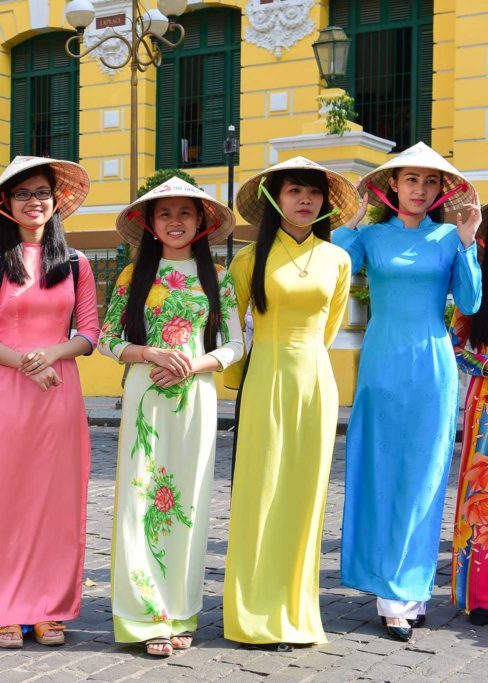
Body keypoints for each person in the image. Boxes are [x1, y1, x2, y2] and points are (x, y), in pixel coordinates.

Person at [336, 142, 483, 641]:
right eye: (411, 180)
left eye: (430, 182)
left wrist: (466, 245)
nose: (420, 190)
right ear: (392, 186)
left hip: (433, 365)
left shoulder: (448, 237)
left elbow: (469, 299)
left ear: (441, 190)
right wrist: (352, 220)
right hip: (381, 364)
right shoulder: (371, 237)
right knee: (380, 469)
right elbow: (332, 268)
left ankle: (409, 587)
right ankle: (386, 586)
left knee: (424, 476)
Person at [0, 156, 100, 649]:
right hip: (6, 391)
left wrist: (51, 356)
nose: (34, 201)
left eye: (42, 193)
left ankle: (48, 608)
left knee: (56, 502)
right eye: (23, 194)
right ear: (6, 205)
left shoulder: (77, 264)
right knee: (1, 500)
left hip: (60, 393)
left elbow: (89, 332)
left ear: (56, 201)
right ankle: (1, 608)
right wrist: (23, 362)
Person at [100, 178, 242, 657]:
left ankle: (180, 612)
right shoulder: (131, 276)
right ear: (150, 224)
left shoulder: (217, 277)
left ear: (201, 222)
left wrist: (191, 363)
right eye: (165, 214)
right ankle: (143, 616)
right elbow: (107, 339)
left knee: (191, 502)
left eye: (186, 213)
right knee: (140, 502)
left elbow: (236, 344)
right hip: (146, 395)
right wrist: (149, 353)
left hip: (196, 399)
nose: (176, 221)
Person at [224, 157, 357, 650]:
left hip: (316, 382)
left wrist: (306, 364)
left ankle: (296, 612)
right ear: (275, 200)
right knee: (259, 493)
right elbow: (234, 331)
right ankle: (252, 613)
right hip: (265, 379)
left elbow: (330, 327)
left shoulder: (337, 259)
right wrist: (238, 382)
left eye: (313, 193)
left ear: (324, 203)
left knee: (305, 497)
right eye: (295, 191)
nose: (305, 200)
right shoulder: (246, 261)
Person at [449, 206, 488, 627]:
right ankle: (480, 595)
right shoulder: (476, 293)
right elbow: (457, 348)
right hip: (486, 403)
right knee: (483, 497)